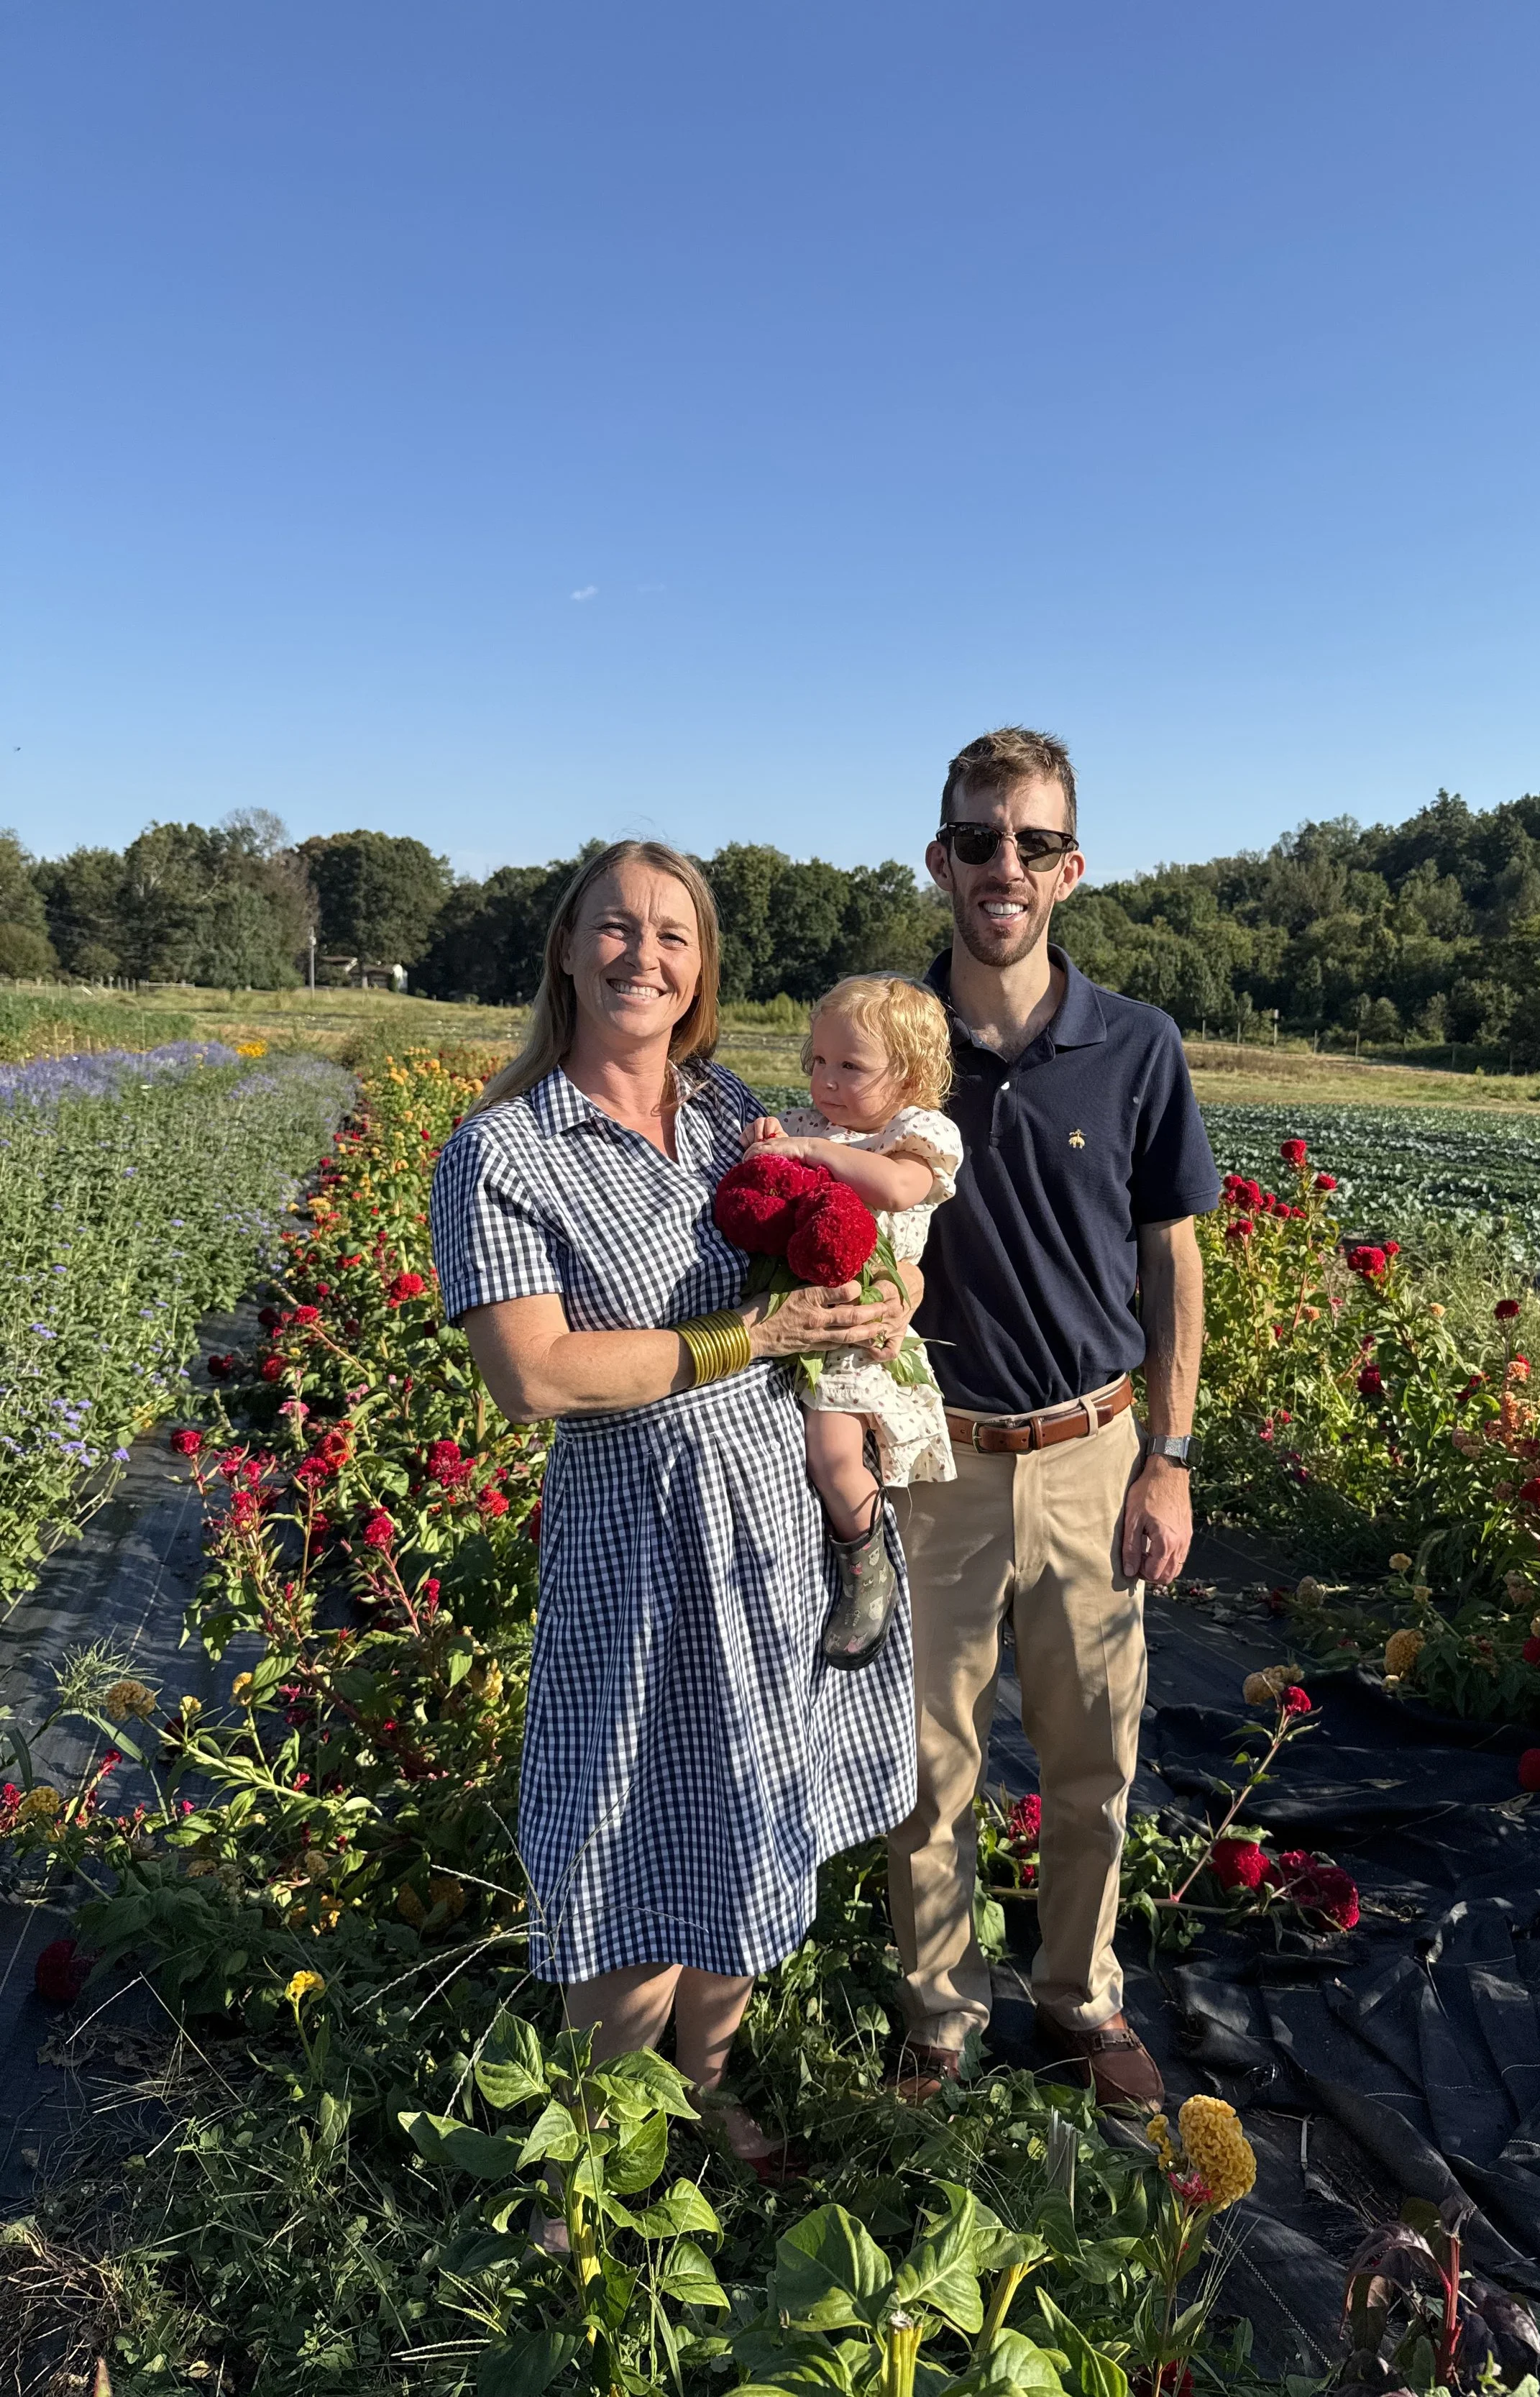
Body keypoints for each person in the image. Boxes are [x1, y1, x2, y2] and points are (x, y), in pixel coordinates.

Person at [428, 839, 917, 2164]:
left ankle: (702, 2086)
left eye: (675, 934)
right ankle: (597, 2143)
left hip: (774, 1527)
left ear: (700, 968)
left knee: (750, 1810)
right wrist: (749, 1336)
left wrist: (885, 1298)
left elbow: (842, 1244)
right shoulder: (505, 1151)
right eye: (617, 927)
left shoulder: (729, 1110)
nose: (644, 954)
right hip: (637, 1541)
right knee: (626, 1824)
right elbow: (531, 1374)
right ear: (568, 949)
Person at [888, 727, 1221, 2113]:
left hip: (1091, 1451)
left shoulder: (1136, 1044)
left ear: (1070, 868)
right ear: (939, 860)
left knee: (1093, 1756)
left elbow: (1172, 1256)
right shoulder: (888, 1042)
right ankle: (937, 2011)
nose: (1002, 864)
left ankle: (1079, 1996)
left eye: (1030, 842)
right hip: (932, 1454)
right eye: (978, 838)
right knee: (926, 1763)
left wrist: (1171, 1453)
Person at [741, 974, 963, 1666]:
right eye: (818, 1062)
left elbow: (896, 1188)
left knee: (835, 1458)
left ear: (911, 1074)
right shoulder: (812, 1126)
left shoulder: (917, 1135)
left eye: (850, 1066)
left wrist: (813, 1154)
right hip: (804, 1322)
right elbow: (778, 1176)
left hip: (863, 1332)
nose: (827, 1081)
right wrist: (771, 1143)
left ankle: (870, 1572)